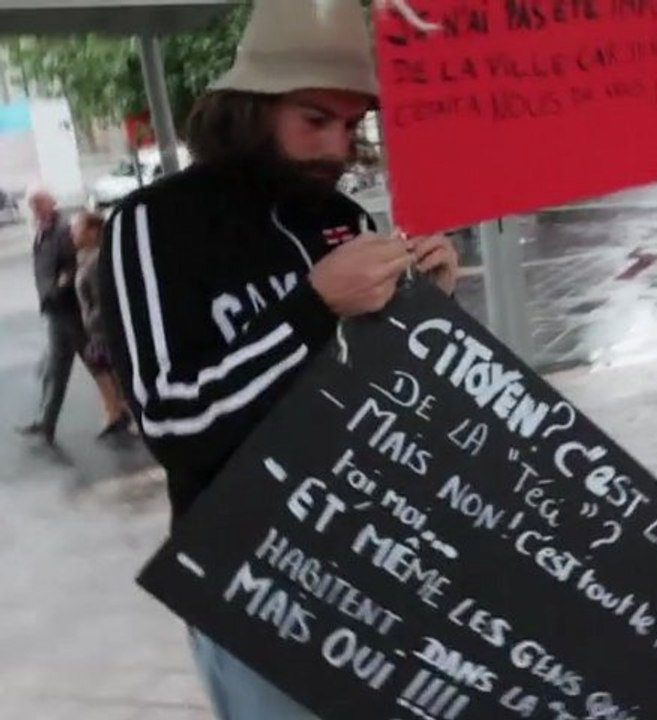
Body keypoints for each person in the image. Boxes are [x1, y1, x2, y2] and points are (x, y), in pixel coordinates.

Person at [98, 1, 459, 718]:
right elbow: (174, 422)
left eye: (352, 125)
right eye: (314, 119)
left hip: (372, 564)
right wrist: (313, 307)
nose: (336, 147)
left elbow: (381, 399)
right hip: (254, 587)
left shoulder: (345, 220)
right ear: (250, 109)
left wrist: (425, 311)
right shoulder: (155, 221)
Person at [17, 189, 89, 445]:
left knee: (74, 365)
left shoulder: (62, 229)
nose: (35, 209)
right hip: (54, 307)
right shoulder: (42, 230)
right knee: (58, 366)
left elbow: (72, 264)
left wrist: (59, 289)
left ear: (52, 203)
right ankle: (45, 421)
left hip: (66, 308)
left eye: (39, 203)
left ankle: (46, 423)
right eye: (32, 205)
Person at [71, 211, 132, 437]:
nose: (72, 233)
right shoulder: (85, 257)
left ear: (93, 231)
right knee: (106, 370)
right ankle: (117, 414)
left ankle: (131, 416)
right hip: (97, 330)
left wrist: (94, 324)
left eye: (77, 228)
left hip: (104, 332)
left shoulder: (97, 260)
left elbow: (103, 300)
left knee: (117, 373)